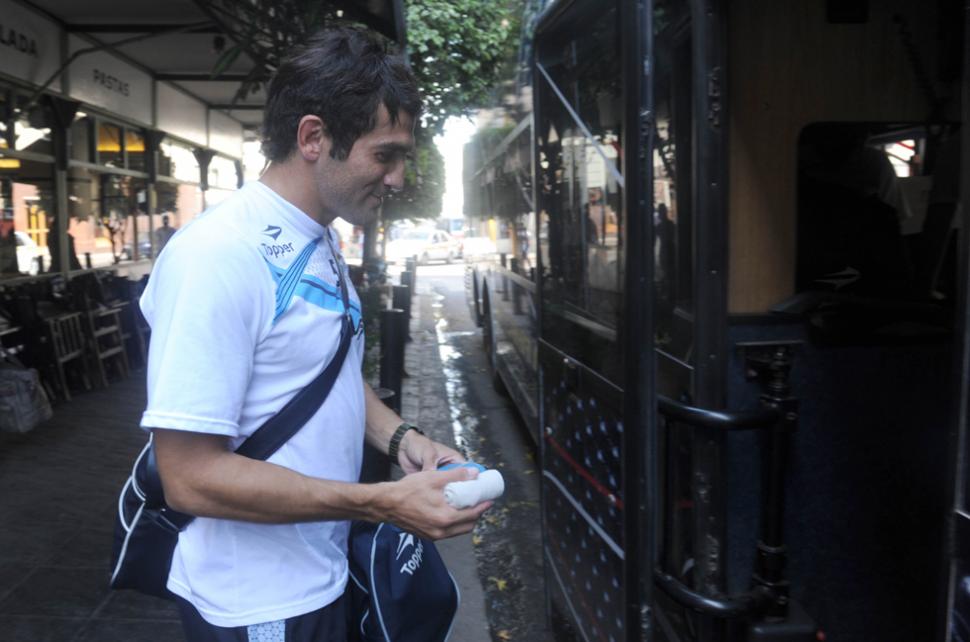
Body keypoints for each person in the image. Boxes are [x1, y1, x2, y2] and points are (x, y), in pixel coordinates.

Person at [141, 27, 490, 641]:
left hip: (322, 572)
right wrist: (380, 501)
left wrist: (402, 438)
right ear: (313, 137)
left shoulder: (318, 235)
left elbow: (323, 371)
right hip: (260, 602)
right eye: (385, 155)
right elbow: (189, 477)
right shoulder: (217, 255)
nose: (398, 178)